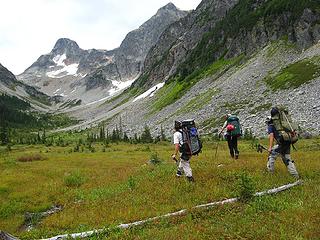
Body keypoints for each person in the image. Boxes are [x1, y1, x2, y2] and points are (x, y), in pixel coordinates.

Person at [266, 108, 299, 178]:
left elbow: (271, 136)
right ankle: (295, 175)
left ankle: (270, 174)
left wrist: (270, 147)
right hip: (287, 142)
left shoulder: (271, 125)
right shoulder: (283, 123)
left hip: (281, 143)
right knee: (287, 158)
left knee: (271, 156)